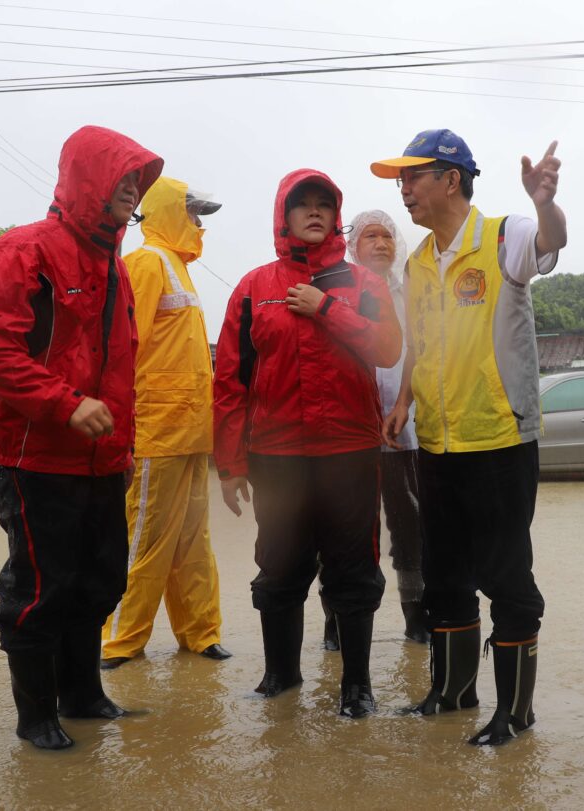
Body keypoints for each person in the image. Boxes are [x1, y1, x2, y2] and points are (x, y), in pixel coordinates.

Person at [0, 125, 163, 749]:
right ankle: (35, 718)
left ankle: (81, 695)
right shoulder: (25, 250)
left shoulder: (116, 270)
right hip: (37, 459)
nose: (132, 190)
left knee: (101, 580)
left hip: (102, 464)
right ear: (89, 181)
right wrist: (64, 404)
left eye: (138, 181)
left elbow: (122, 370)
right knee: (38, 590)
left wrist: (122, 450)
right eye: (122, 179)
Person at [372, 128, 566, 746]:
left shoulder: (504, 236)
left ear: (449, 179)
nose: (404, 191)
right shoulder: (418, 262)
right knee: (444, 574)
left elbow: (551, 241)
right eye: (400, 181)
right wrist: (402, 401)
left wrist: (542, 201)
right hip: (437, 444)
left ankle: (516, 712)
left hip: (500, 440)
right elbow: (421, 344)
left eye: (412, 177)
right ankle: (451, 694)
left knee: (507, 577)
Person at [212, 169, 401, 718]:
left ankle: (357, 687)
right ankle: (281, 676)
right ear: (284, 216)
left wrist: (327, 309)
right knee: (279, 565)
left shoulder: (365, 285)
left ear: (336, 216)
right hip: (277, 458)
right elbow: (230, 380)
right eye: (304, 205)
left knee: (353, 568)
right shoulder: (253, 287)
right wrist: (229, 464)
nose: (315, 212)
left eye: (324, 204)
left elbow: (389, 349)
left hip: (349, 453)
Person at [100, 177, 231, 669]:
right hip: (157, 432)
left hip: (191, 433)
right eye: (194, 213)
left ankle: (199, 633)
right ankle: (118, 640)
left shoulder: (178, 267)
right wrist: (124, 429)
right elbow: (122, 350)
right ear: (170, 212)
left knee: (192, 544)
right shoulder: (147, 263)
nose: (200, 225)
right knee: (145, 541)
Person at [345, 210, 428, 645]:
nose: (380, 243)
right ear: (353, 246)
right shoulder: (339, 291)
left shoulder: (408, 293)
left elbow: (419, 350)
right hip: (349, 437)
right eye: (370, 236)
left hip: (403, 431)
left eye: (387, 236)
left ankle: (416, 620)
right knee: (349, 532)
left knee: (409, 527)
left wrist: (402, 407)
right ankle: (338, 622)